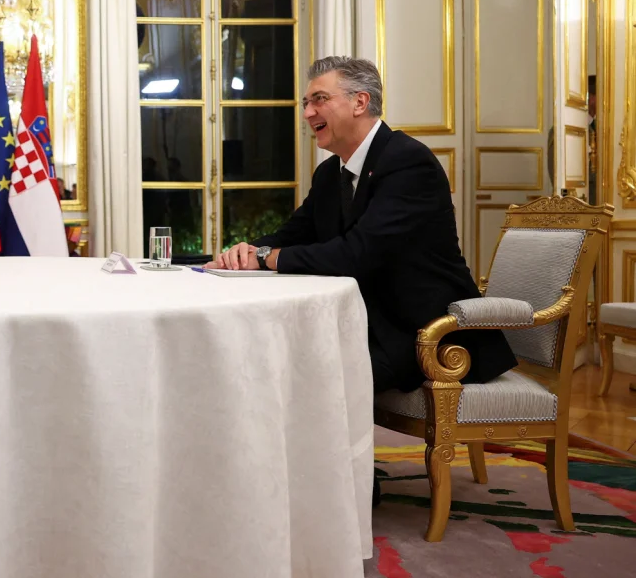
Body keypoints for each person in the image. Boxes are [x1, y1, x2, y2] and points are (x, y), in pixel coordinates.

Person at [207, 56, 516, 395]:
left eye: (319, 100)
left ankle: (329, 452)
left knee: (298, 377)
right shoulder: (330, 174)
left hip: (424, 335)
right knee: (264, 357)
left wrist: (266, 258)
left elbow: (357, 254)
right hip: (363, 323)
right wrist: (246, 252)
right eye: (306, 103)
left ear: (360, 102)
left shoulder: (409, 162)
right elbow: (292, 234)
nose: (308, 113)